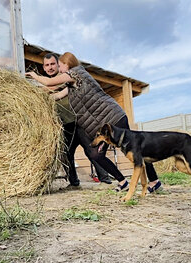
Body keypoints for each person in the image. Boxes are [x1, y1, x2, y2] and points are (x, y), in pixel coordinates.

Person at [26, 52, 162, 193]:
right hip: (103, 124)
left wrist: (33, 75)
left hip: (113, 118)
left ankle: (154, 181)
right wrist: (36, 99)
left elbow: (49, 82)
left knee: (134, 149)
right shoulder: (71, 84)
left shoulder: (76, 73)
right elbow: (56, 94)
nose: (59, 70)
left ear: (67, 64)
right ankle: (122, 182)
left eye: (59, 66)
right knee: (96, 155)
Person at [41, 53, 112, 188]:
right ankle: (74, 182)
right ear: (44, 68)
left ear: (58, 65)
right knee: (66, 154)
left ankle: (105, 179)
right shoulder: (46, 84)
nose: (50, 67)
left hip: (80, 121)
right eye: (47, 65)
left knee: (91, 150)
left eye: (52, 64)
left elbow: (52, 86)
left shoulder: (66, 76)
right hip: (64, 125)